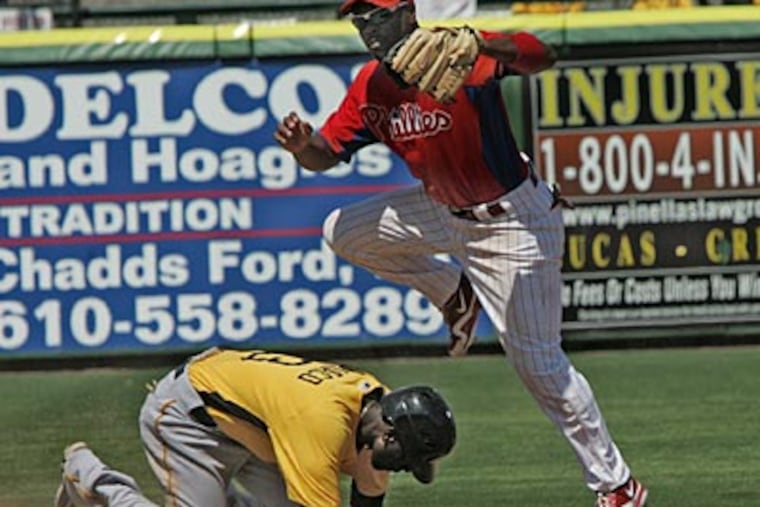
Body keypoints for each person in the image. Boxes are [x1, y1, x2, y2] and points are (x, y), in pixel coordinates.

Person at [273, 1, 648, 506]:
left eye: (378, 16)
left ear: (408, 13)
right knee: (342, 230)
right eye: (360, 21)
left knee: (540, 366)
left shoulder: (458, 51)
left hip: (511, 222)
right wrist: (302, 146)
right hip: (442, 210)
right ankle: (454, 292)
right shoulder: (371, 84)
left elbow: (543, 56)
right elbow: (327, 155)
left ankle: (617, 486)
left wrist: (480, 41)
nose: (369, 29)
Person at [54, 347, 456, 507]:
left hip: (256, 427)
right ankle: (87, 476)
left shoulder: (377, 410)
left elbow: (367, 497)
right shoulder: (321, 424)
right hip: (189, 420)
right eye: (409, 461)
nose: (403, 469)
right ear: (389, 436)